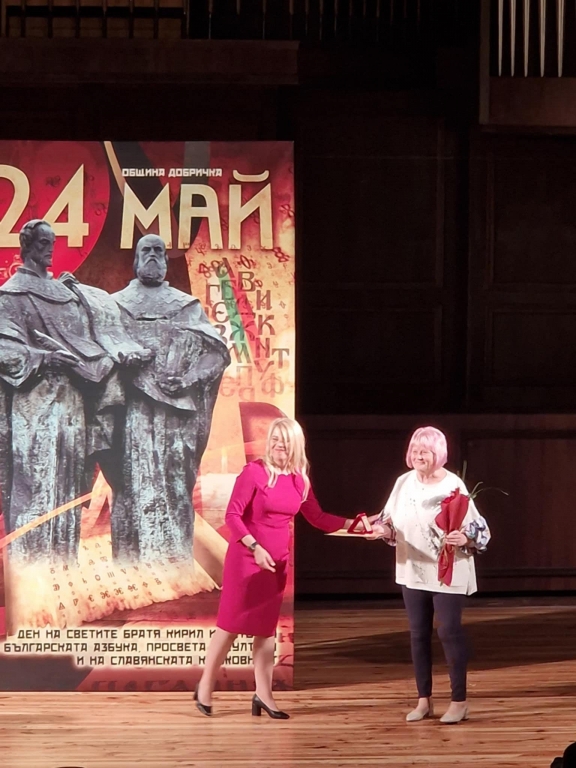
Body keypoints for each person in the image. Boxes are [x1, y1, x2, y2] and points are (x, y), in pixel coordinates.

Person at [195, 417, 353, 719]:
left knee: (265, 630)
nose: (279, 445)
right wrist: (255, 547)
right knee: (229, 626)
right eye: (275, 440)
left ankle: (263, 695)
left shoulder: (300, 480)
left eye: (285, 440)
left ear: (296, 444)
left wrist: (355, 524)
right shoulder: (254, 473)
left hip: (276, 563)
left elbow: (318, 518)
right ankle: (205, 685)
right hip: (246, 559)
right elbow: (232, 516)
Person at [0, 220, 123, 563]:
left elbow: (90, 335)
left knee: (66, 487)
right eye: (43, 243)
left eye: (52, 243)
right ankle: (30, 572)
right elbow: (4, 350)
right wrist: (45, 358)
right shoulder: (11, 295)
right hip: (34, 405)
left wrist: (80, 296)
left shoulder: (65, 293)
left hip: (72, 403)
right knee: (35, 484)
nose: (50, 250)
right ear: (27, 246)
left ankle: (62, 570)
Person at [110, 234, 230, 565]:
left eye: (158, 251)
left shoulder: (186, 306)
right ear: (136, 260)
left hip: (178, 416)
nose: (152, 255)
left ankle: (174, 566)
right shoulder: (115, 305)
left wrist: (188, 379)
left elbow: (217, 354)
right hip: (131, 410)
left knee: (176, 487)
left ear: (165, 260)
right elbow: (102, 348)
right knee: (130, 485)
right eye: (145, 250)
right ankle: (133, 568)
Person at [367, 426, 491, 724]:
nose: (418, 455)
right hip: (413, 567)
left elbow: (479, 530)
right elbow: (390, 523)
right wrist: (380, 531)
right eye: (415, 450)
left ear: (439, 454)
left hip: (448, 567)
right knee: (418, 633)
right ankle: (424, 700)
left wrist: (465, 538)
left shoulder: (453, 485)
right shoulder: (403, 482)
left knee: (448, 631)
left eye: (425, 451)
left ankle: (459, 702)